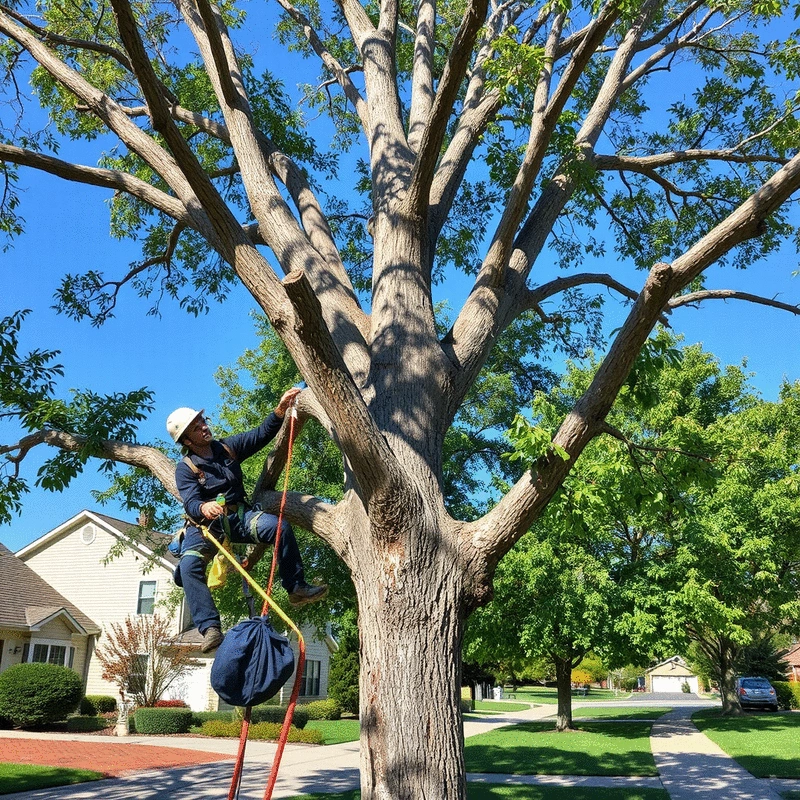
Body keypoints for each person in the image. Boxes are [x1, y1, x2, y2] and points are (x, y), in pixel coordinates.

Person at [167, 388, 328, 653]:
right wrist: (204, 506)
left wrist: (280, 410)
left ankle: (296, 587)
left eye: (202, 421)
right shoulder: (186, 469)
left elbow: (260, 435)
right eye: (196, 427)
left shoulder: (226, 449)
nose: (204, 427)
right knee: (189, 565)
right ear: (186, 440)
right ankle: (210, 628)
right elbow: (191, 502)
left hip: (238, 518)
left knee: (278, 527)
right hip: (205, 527)